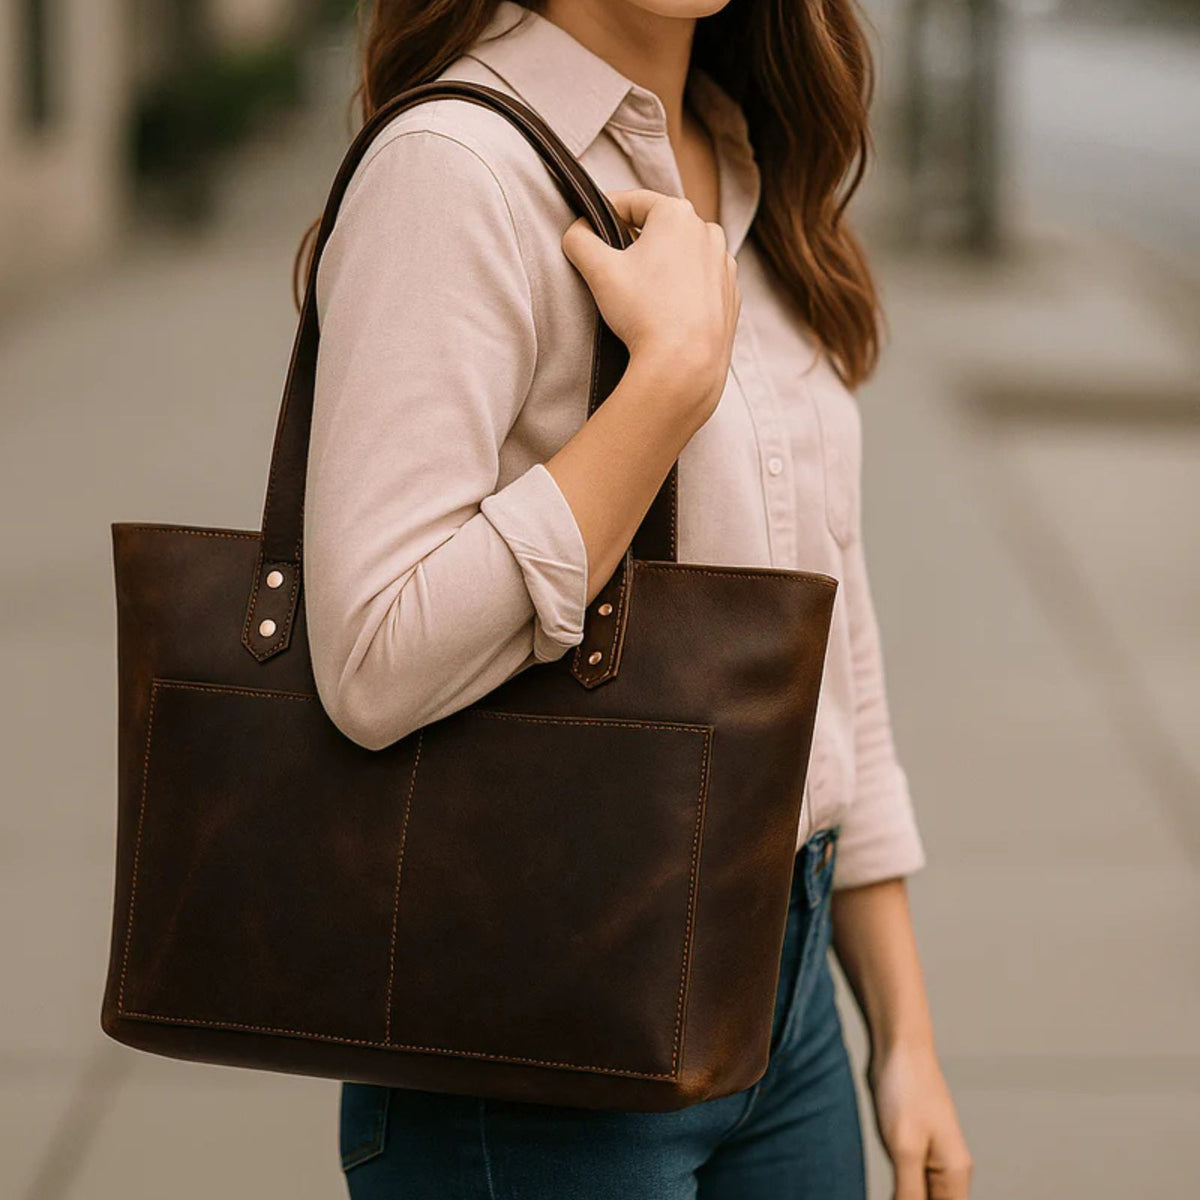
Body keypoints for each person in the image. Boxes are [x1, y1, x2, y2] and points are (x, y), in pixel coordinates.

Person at [302, 2, 972, 1197]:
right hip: (539, 1035)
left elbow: (831, 641)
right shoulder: (456, 168)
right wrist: (662, 389)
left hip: (790, 1006)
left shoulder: (749, 150)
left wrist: (905, 1034)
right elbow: (371, 657)